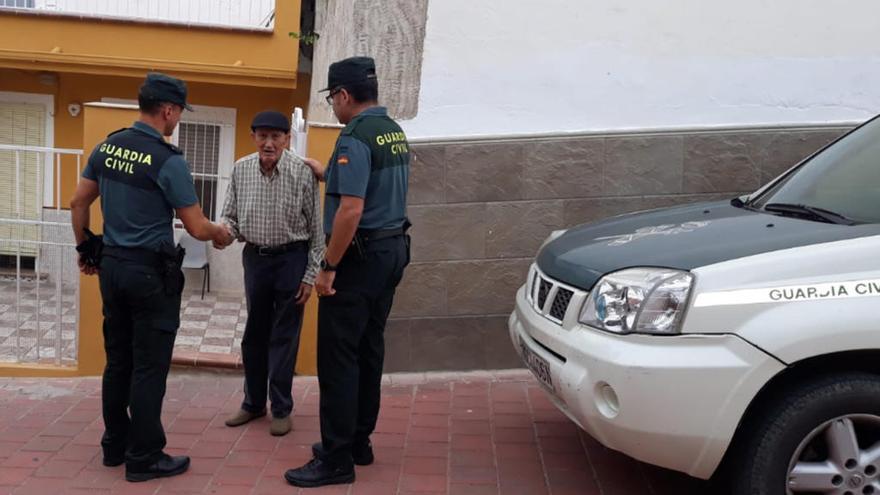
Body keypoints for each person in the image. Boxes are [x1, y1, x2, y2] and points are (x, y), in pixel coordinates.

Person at [69, 72, 233, 482]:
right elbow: (196, 227)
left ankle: (114, 447)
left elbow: (77, 202)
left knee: (118, 360)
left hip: (112, 267)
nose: (177, 119)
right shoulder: (168, 159)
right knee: (148, 367)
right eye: (178, 111)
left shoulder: (107, 146)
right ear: (168, 110)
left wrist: (86, 249)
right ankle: (144, 457)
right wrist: (222, 234)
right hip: (149, 275)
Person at [284, 56, 411, 488]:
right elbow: (372, 191)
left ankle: (336, 459)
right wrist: (328, 176)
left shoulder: (355, 136)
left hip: (357, 261)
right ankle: (359, 442)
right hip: (391, 251)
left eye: (331, 98)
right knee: (368, 349)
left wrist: (328, 267)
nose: (332, 107)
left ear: (343, 95)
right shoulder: (393, 131)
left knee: (339, 358)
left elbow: (352, 210)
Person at [220, 111, 323, 436]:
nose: (268, 143)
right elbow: (230, 216)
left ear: (286, 139)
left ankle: (281, 408)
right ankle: (253, 404)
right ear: (253, 136)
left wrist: (310, 274)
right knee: (255, 334)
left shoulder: (302, 173)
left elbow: (317, 230)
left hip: (292, 259)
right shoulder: (240, 169)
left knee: (284, 335)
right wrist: (222, 232)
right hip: (256, 259)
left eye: (275, 136)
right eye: (262, 135)